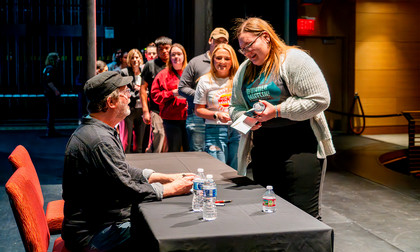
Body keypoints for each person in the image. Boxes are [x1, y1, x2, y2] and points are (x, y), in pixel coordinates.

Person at [62, 71, 194, 251]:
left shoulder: (99, 130)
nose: (130, 97)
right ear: (111, 102)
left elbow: (122, 170)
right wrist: (170, 189)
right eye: (125, 93)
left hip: (98, 224)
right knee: (167, 233)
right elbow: (126, 190)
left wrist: (164, 177)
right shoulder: (100, 140)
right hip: (94, 235)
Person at [229, 17, 336, 219]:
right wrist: (247, 119)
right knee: (270, 213)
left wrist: (277, 111)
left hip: (299, 147)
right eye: (242, 49)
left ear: (266, 37)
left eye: (249, 45)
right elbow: (234, 107)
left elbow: (321, 99)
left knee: (304, 217)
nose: (246, 53)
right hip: (263, 150)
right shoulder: (244, 70)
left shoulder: (293, 59)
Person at [178, 27, 229, 152]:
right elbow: (182, 88)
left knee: (218, 155)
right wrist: (203, 96)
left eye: (223, 41)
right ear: (210, 40)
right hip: (197, 117)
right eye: (217, 40)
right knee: (198, 155)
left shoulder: (229, 62)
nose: (220, 44)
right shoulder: (196, 62)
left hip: (220, 119)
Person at [194, 44, 240, 169]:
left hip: (238, 130)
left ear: (232, 61)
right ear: (213, 59)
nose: (222, 62)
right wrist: (216, 114)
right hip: (215, 130)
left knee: (236, 172)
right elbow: (198, 110)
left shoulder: (239, 79)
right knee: (218, 170)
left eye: (227, 58)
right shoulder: (204, 81)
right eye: (218, 58)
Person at [151, 43, 189, 152]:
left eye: (179, 54)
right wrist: (172, 93)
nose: (176, 57)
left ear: (184, 56)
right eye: (173, 55)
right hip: (171, 119)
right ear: (170, 57)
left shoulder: (190, 73)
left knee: (191, 151)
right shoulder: (163, 74)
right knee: (174, 150)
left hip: (190, 118)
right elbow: (155, 96)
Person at [141, 36, 172, 153]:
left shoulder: (175, 63)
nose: (164, 51)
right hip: (156, 109)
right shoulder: (150, 65)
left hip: (173, 109)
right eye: (161, 49)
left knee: (169, 140)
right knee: (159, 135)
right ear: (157, 50)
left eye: (167, 48)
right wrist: (145, 111)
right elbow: (143, 89)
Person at [120, 49, 149, 153]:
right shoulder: (124, 72)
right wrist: (138, 91)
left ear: (140, 59)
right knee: (127, 141)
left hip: (142, 109)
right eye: (132, 58)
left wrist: (141, 90)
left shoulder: (145, 71)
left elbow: (148, 90)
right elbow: (123, 90)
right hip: (130, 109)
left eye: (137, 57)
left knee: (140, 141)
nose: (135, 60)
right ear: (129, 60)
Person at [42, 52, 61, 137]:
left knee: (51, 111)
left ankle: (51, 129)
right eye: (57, 58)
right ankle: (50, 130)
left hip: (48, 92)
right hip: (50, 93)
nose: (58, 59)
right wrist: (56, 90)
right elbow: (49, 82)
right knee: (51, 111)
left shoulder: (46, 68)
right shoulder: (51, 69)